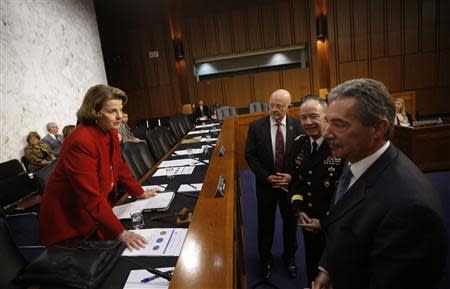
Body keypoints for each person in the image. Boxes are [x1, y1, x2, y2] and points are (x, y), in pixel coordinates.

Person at [313, 79, 448, 289]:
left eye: (339, 124)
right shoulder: (354, 157)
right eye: (327, 121)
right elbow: (345, 223)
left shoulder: (410, 209)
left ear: (378, 128)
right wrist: (327, 269)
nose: (325, 133)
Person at [39, 84, 159, 251]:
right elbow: (89, 195)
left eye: (120, 109)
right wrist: (121, 233)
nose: (120, 116)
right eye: (112, 111)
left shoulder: (110, 132)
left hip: (93, 213)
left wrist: (138, 192)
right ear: (95, 112)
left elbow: (119, 167)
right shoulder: (80, 140)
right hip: (69, 221)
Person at [245, 89, 302, 279]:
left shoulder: (298, 126)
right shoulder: (256, 127)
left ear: (289, 107)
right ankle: (265, 260)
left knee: (290, 224)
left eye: (279, 106)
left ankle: (289, 258)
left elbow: (302, 156)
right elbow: (250, 155)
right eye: (271, 105)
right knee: (265, 224)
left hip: (289, 187)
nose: (274, 109)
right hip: (266, 186)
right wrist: (265, 177)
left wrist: (291, 176)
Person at [289, 95, 344, 284]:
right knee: (312, 266)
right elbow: (296, 179)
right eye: (303, 118)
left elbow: (347, 194)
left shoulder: (339, 145)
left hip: (335, 226)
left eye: (313, 116)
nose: (308, 122)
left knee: (335, 271)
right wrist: (299, 209)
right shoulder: (299, 144)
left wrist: (325, 223)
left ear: (326, 116)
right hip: (307, 221)